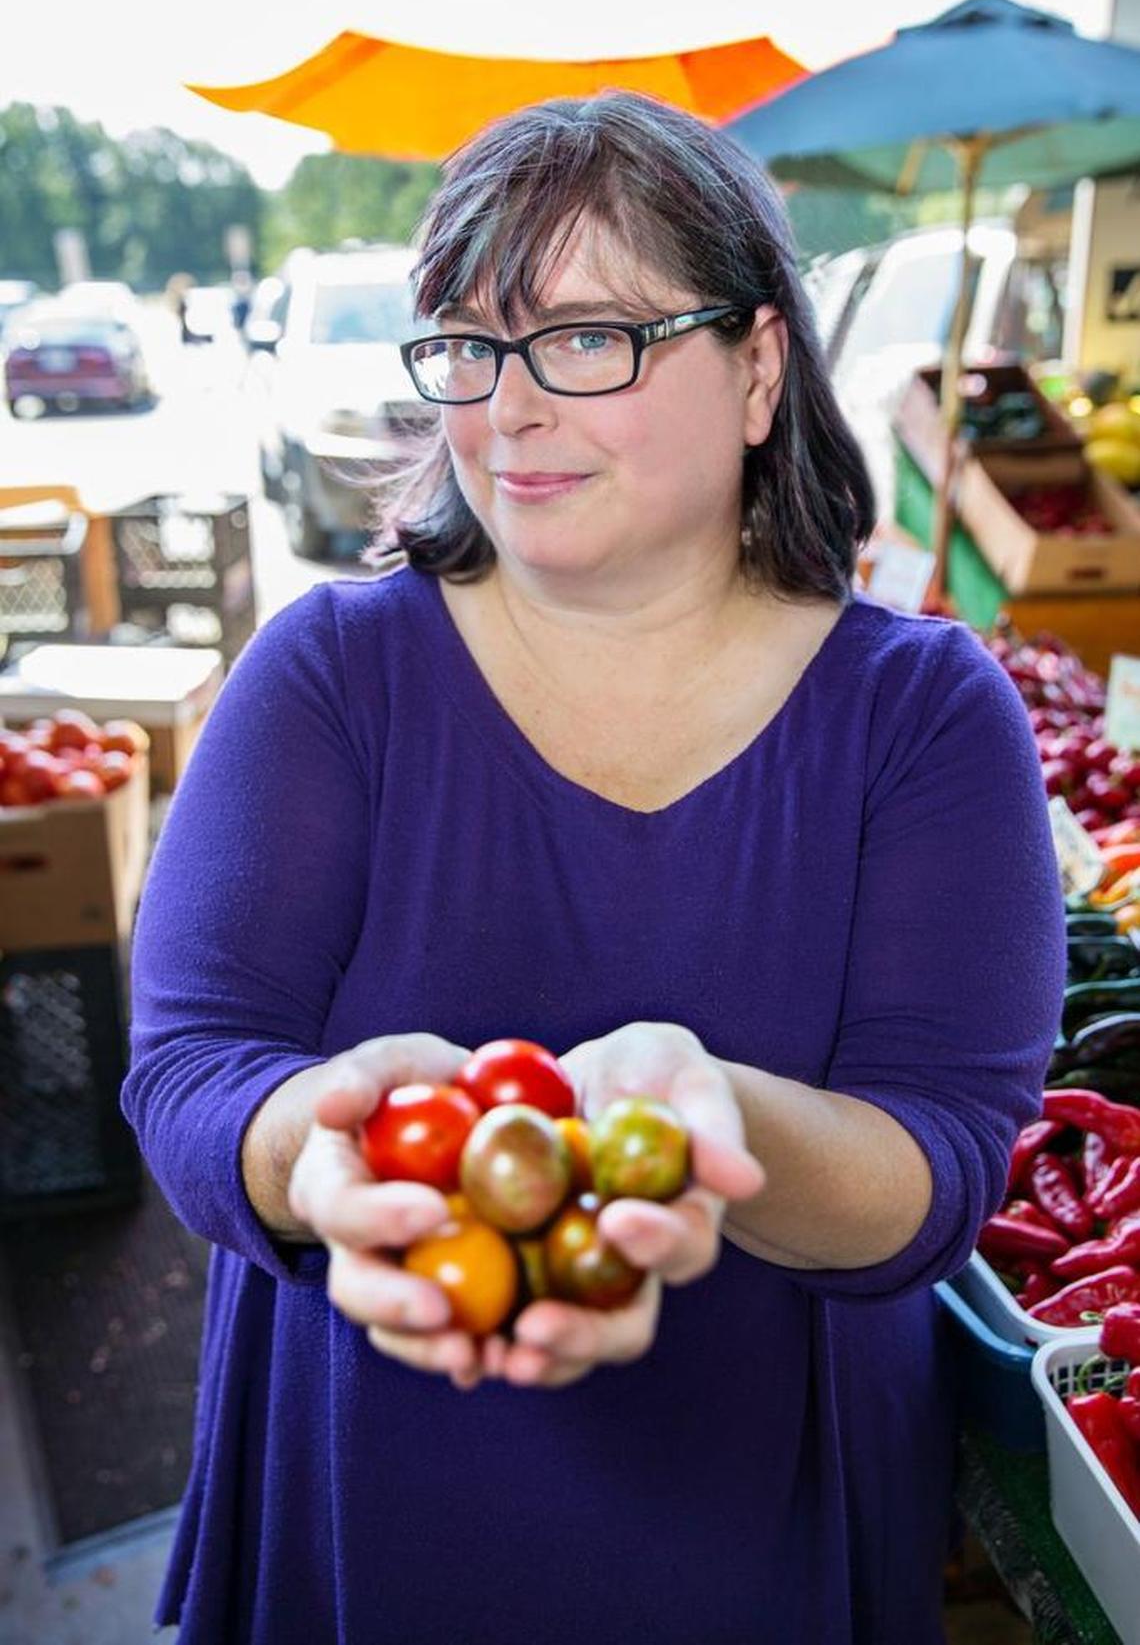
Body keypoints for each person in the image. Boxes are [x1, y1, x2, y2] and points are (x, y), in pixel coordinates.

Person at [122, 91, 1065, 1645]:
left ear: (760, 366)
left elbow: (943, 1160)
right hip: (368, 1494)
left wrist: (718, 1116)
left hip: (759, 1530)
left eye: (584, 339)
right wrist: (320, 1145)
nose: (508, 410)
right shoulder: (328, 679)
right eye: (471, 348)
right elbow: (192, 1067)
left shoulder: (926, 720)